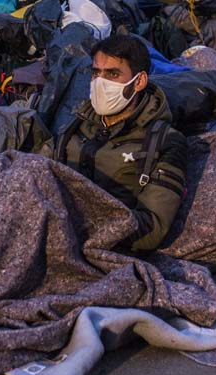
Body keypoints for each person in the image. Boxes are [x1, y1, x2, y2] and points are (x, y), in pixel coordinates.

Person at [53, 34, 187, 251]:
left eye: (113, 74)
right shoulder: (74, 127)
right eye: (96, 73)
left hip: (102, 247)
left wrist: (77, 225)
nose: (100, 82)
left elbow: (152, 228)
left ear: (140, 81)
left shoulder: (164, 142)